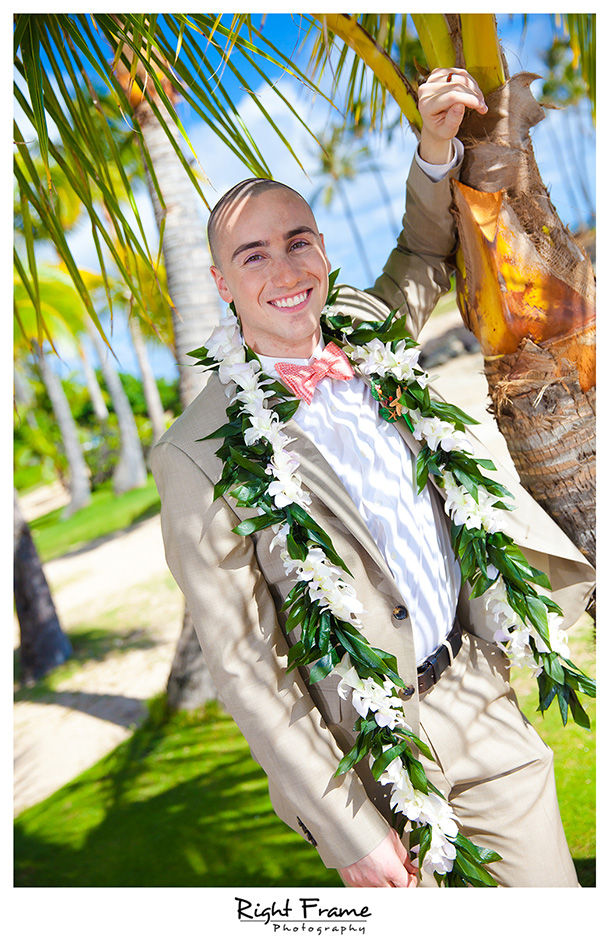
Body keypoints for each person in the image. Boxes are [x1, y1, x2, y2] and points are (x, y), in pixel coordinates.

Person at [151, 68, 594, 887]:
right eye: (253, 254)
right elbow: (246, 660)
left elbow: (427, 247)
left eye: (299, 241)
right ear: (221, 283)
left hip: (476, 697)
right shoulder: (196, 451)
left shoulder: (366, 327)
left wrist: (435, 148)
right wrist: (346, 825)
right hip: (375, 764)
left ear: (322, 249)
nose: (284, 268)